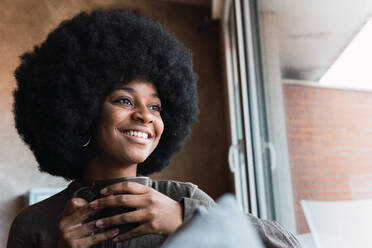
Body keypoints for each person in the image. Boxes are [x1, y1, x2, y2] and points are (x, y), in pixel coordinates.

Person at [8, 9, 301, 248]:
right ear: (80, 110)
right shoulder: (35, 224)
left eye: (155, 106)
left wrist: (183, 217)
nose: (145, 116)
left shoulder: (183, 198)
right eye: (125, 100)